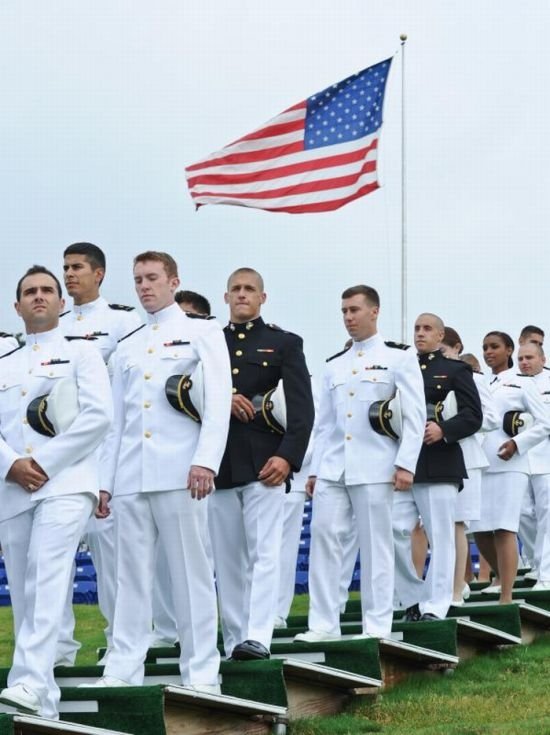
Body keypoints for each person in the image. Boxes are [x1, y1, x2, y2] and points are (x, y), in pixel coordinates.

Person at [84, 252, 231, 693]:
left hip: (181, 471)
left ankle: (201, 672)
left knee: (191, 574)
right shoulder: (128, 343)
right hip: (131, 475)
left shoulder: (201, 331)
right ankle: (123, 666)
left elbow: (218, 401)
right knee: (128, 578)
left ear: (173, 281)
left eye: (152, 278)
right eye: (138, 280)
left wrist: (205, 459)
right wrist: (105, 483)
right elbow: (117, 423)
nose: (144, 286)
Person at [0, 266, 112, 718]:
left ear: (63, 304)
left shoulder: (83, 356)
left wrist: (42, 464)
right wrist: (11, 464)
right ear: (17, 306)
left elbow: (98, 417)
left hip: (65, 483)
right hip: (12, 488)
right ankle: (41, 700)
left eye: (49, 290)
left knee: (47, 575)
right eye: (31, 292)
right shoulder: (4, 364)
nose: (40, 297)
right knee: (25, 590)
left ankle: (25, 680)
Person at [295, 285, 426, 642]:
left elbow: (414, 416)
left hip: (376, 465)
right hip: (334, 467)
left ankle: (377, 625)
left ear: (374, 311)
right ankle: (322, 624)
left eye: (354, 310)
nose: (348, 317)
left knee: (376, 546)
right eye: (344, 311)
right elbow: (324, 424)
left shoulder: (399, 357)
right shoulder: (334, 364)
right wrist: (316, 470)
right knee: (324, 540)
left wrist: (406, 464)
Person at [209, 267, 314, 660]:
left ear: (262, 298)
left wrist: (288, 457)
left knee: (264, 552)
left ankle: (259, 635)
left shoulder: (284, 343)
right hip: (219, 464)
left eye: (249, 289)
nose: (241, 295)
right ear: (225, 297)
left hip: (266, 463)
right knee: (227, 557)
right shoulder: (210, 342)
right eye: (235, 288)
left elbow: (302, 410)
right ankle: (234, 638)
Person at [58, 242, 142, 665]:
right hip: (61, 455)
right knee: (54, 560)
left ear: (99, 273)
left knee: (113, 559)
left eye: (77, 267)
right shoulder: (54, 322)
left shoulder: (123, 322)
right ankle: (58, 649)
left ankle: (118, 643)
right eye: (66, 268)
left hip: (107, 453)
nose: (70, 274)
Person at [393, 313, 482, 622]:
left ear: (440, 335)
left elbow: (473, 415)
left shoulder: (455, 370)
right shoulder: (399, 366)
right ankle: (413, 598)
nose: (420, 333)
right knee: (393, 530)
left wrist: (445, 429)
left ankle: (436, 604)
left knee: (441, 537)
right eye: (416, 328)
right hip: (402, 462)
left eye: (427, 328)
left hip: (439, 461)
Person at [470, 332, 550, 604]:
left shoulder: (521, 383)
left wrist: (517, 443)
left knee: (505, 528)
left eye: (494, 347)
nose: (488, 352)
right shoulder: (477, 381)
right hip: (480, 463)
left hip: (511, 463)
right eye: (484, 348)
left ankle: (507, 594)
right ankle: (505, 576)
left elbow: (544, 423)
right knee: (479, 530)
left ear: (508, 351)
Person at [440, 326, 499, 605]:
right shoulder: (425, 376)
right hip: (436, 456)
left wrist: (457, 425)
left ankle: (458, 587)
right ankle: (446, 585)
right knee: (438, 525)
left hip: (466, 455)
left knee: (457, 523)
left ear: (456, 348)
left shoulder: (473, 379)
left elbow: (490, 418)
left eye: (444, 350)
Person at [516, 342, 550, 590]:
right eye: (521, 358)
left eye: (529, 357)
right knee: (522, 514)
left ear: (543, 358)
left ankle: (546, 573)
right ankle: (535, 562)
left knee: (547, 515)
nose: (525, 362)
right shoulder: (510, 383)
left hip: (546, 457)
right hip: (519, 458)